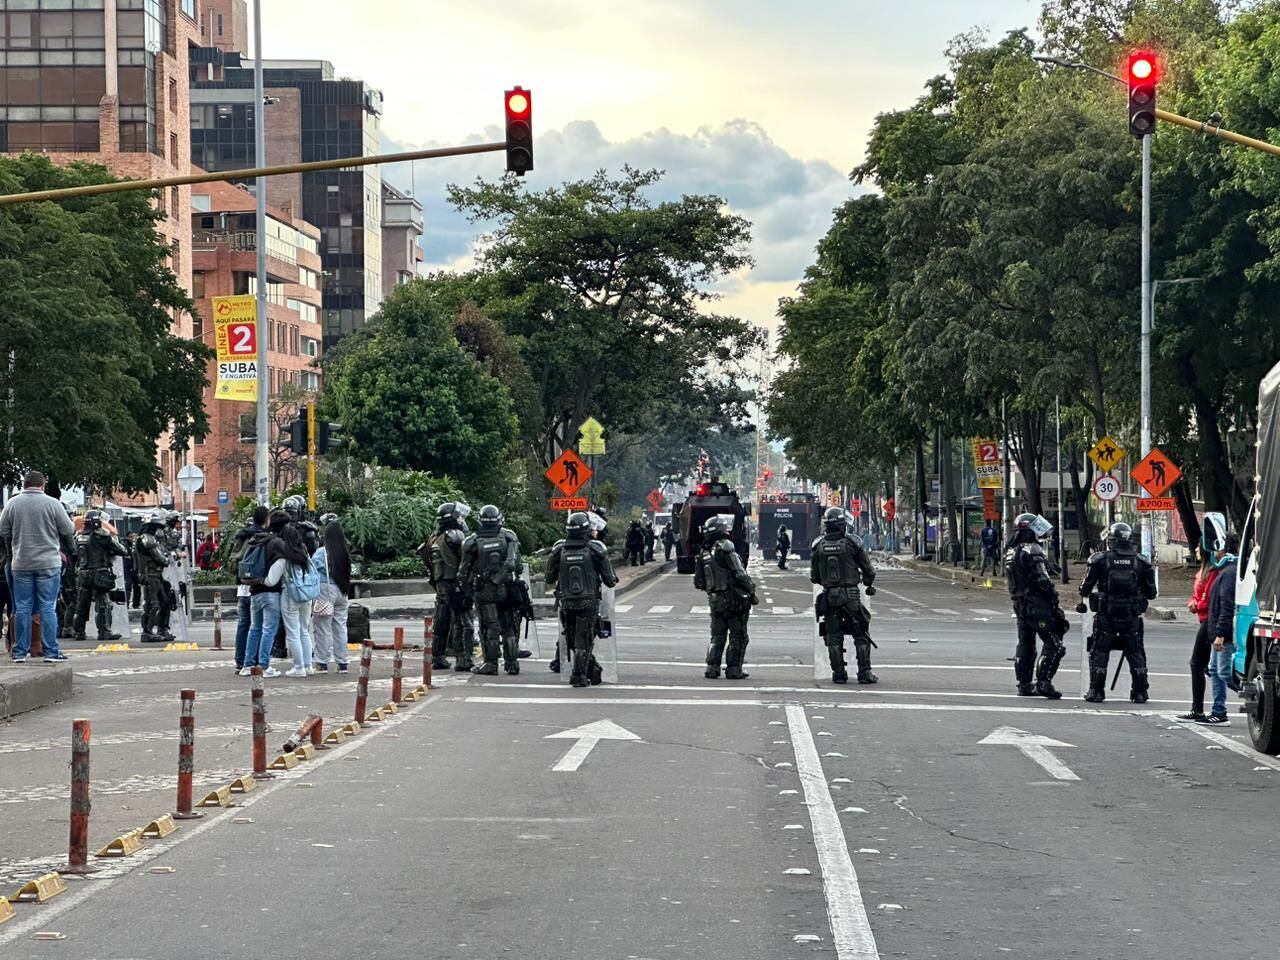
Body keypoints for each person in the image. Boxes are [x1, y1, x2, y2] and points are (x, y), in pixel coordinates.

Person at [1077, 522, 1158, 703]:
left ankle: (1096, 692)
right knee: (1136, 652)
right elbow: (1152, 593)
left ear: (1111, 540)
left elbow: (1084, 589)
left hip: (1107, 613)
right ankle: (1139, 692)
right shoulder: (1141, 561)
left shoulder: (1100, 560)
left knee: (1100, 651)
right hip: (1131, 614)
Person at [0, 470, 76, 662]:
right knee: (47, 607)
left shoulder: (12, 504)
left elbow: (3, 529)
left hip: (21, 562)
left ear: (24, 485)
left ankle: (19, 652)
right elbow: (69, 529)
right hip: (48, 562)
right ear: (43, 485)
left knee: (22, 607)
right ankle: (51, 652)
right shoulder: (53, 503)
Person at [546, 512, 618, 687]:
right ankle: (579, 675)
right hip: (588, 602)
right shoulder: (595, 549)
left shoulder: (558, 550)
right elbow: (610, 580)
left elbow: (549, 578)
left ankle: (587, 670)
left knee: (572, 637)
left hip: (566, 602)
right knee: (584, 639)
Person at [1005, 513, 1069, 698]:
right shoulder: (1032, 549)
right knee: (1055, 645)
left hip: (1020, 605)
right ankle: (1043, 683)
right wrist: (1054, 602)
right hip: (1037, 605)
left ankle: (1024, 684)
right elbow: (1043, 581)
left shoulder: (1011, 551)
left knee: (1026, 644)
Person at [811, 508, 879, 683]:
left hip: (829, 597)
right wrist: (867, 582)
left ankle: (838, 674)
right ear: (842, 525)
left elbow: (814, 577)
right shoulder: (852, 543)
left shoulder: (818, 546)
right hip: (850, 596)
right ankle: (864, 673)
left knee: (833, 635)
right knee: (861, 633)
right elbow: (868, 570)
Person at [459, 505, 522, 675]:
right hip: (507, 588)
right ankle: (512, 663)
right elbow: (515, 565)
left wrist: (468, 591)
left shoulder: (471, 541)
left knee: (490, 627)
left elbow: (462, 572)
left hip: (484, 590)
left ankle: (491, 664)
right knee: (508, 627)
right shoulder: (509, 536)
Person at [694, 514, 757, 679]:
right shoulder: (725, 546)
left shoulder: (704, 553)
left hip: (714, 600)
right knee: (738, 635)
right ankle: (734, 669)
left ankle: (712, 668)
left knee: (717, 636)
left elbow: (698, 582)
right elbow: (739, 573)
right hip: (732, 599)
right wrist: (751, 589)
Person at [419, 502, 476, 672]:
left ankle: (438, 657)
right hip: (455, 583)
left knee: (442, 620)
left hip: (440, 584)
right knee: (463, 621)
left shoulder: (433, 538)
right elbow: (466, 560)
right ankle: (463, 658)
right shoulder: (455, 535)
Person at [1181, 514, 1227, 721]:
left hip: (1210, 620)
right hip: (1203, 619)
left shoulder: (1214, 572)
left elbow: (1211, 599)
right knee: (1205, 666)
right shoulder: (1202, 572)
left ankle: (1207, 709)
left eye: (1198, 547)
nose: (1196, 550)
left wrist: (1197, 605)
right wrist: (1194, 602)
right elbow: (1198, 594)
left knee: (1203, 665)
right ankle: (1200, 708)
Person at [241, 509, 290, 678]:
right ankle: (263, 665)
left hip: (254, 590)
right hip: (270, 592)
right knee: (269, 630)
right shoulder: (276, 542)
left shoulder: (255, 539)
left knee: (254, 629)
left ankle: (247, 665)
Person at [71, 510, 128, 644]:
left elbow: (74, 554)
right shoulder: (101, 536)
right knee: (104, 603)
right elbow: (122, 550)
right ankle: (104, 631)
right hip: (99, 573)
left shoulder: (78, 536)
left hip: (83, 573)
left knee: (81, 604)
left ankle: (78, 631)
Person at [1203, 533, 1240, 725]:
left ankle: (1258, 698)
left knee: (1224, 673)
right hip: (1217, 633)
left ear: (1224, 549)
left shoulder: (1229, 573)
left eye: (1217, 547)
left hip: (1222, 636)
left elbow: (1226, 606)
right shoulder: (1225, 571)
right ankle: (1218, 710)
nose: (1214, 552)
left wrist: (1220, 634)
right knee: (1214, 670)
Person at [230, 506, 270, 673]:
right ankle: (252, 661)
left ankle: (240, 660)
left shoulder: (242, 535)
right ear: (266, 520)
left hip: (242, 586)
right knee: (258, 627)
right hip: (256, 586)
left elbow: (232, 561)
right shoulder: (262, 537)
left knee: (243, 624)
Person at [311, 519, 353, 673]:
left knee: (322, 627)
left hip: (325, 591)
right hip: (342, 592)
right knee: (340, 627)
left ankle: (322, 662)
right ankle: (342, 663)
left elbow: (311, 568)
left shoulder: (322, 552)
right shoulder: (344, 552)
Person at [276, 524, 317, 678]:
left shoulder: (284, 555)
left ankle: (298, 667)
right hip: (306, 594)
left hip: (290, 595)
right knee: (304, 630)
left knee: (292, 632)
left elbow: (275, 577)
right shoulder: (304, 552)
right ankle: (308, 665)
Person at [134, 513, 177, 643]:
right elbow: (161, 558)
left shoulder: (151, 539)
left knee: (166, 601)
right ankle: (147, 631)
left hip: (156, 575)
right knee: (153, 604)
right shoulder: (147, 539)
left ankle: (162, 629)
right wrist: (168, 558)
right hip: (150, 575)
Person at [123, 532, 141, 609]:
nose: (133, 538)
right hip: (127, 568)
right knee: (128, 586)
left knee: (137, 586)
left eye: (134, 536)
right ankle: (126, 603)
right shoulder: (126, 545)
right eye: (131, 537)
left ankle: (136, 603)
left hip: (135, 568)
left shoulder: (136, 545)